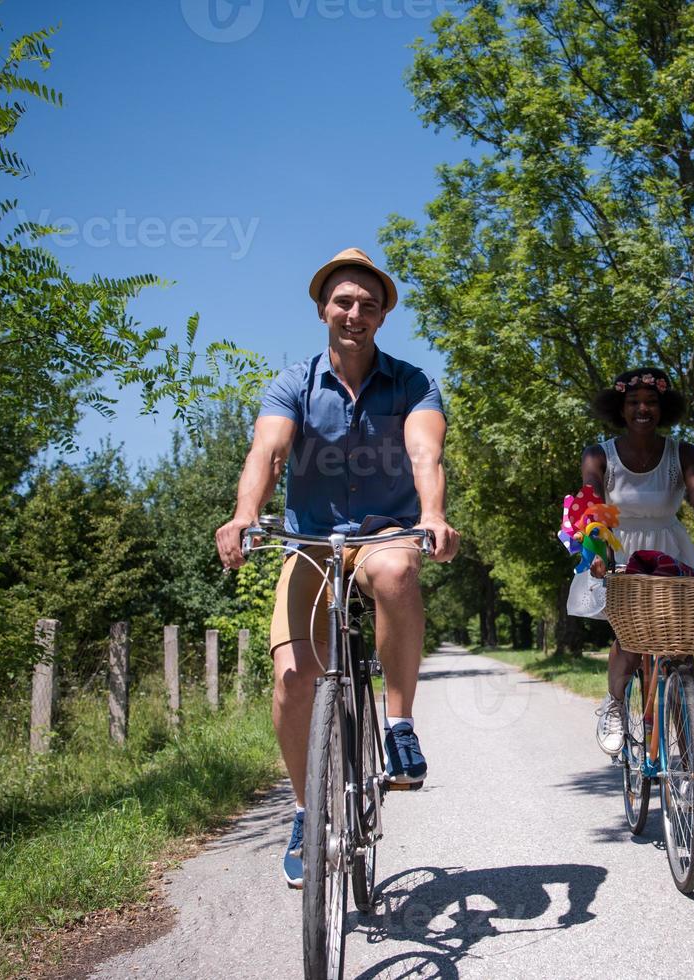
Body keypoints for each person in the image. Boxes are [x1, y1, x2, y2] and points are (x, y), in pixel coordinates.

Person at [214, 247, 460, 888]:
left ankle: (400, 726)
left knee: (397, 574)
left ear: (382, 317)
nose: (356, 313)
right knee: (294, 677)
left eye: (369, 305)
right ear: (324, 308)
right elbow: (267, 455)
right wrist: (244, 513)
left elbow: (424, 451)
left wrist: (432, 515)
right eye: (344, 302)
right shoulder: (292, 384)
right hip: (312, 542)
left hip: (385, 535)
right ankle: (304, 811)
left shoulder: (413, 383)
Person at [579, 368, 694, 757]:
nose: (643, 409)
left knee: (682, 648)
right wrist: (601, 557)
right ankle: (615, 705)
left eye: (651, 402)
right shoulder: (599, 455)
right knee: (630, 640)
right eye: (634, 402)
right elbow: (593, 508)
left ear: (663, 408)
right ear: (622, 408)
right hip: (619, 549)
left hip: (670, 551)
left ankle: (689, 755)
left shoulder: (682, 452)